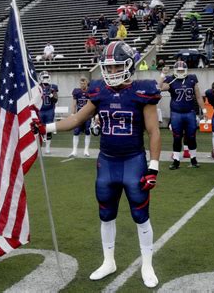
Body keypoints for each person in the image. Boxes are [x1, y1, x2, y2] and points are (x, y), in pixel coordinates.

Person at [38, 41, 161, 288]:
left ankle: (147, 264)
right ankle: (109, 261)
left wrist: (154, 166)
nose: (111, 72)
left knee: (140, 214)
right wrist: (45, 127)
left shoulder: (143, 92)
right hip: (107, 162)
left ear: (128, 66)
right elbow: (75, 119)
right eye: (109, 67)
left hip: (133, 161)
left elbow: (153, 131)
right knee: (106, 214)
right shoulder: (100, 92)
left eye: (116, 67)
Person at [159, 60, 206, 169]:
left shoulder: (192, 79)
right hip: (176, 114)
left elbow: (198, 96)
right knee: (177, 137)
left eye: (182, 70)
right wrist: (163, 74)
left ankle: (193, 159)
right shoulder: (171, 80)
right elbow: (159, 87)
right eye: (178, 70)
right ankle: (176, 160)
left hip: (190, 113)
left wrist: (204, 111)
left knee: (191, 137)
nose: (180, 72)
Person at [69, 77, 91, 158]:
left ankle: (86, 150)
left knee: (87, 131)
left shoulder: (90, 91)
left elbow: (91, 105)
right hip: (79, 115)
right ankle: (74, 151)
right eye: (81, 83)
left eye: (84, 83)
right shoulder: (77, 92)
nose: (82, 85)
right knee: (76, 131)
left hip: (87, 115)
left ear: (86, 83)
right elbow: (74, 103)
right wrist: (72, 114)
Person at [39, 70, 58, 154]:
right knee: (40, 129)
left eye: (47, 77)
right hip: (40, 110)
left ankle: (47, 147)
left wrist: (52, 96)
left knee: (49, 128)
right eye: (44, 77)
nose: (46, 79)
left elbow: (56, 100)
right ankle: (40, 146)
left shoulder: (53, 87)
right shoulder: (37, 87)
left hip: (49, 110)